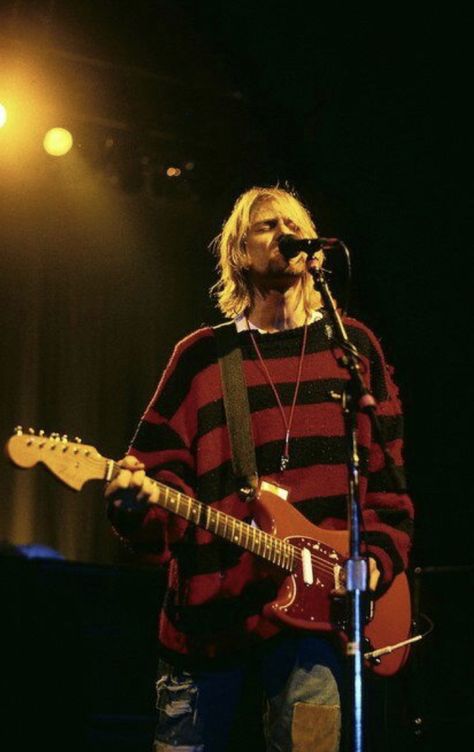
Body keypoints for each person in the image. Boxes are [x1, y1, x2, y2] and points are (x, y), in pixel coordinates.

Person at [105, 186, 414, 752]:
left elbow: (388, 485)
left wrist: (374, 561)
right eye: (267, 226)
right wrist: (132, 504)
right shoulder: (201, 356)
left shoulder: (354, 350)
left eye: (294, 224)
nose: (284, 234)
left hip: (319, 627)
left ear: (314, 251)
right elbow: (156, 476)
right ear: (238, 251)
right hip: (206, 620)